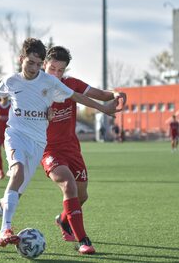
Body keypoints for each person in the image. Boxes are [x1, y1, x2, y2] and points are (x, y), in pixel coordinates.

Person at [0, 38, 122, 254]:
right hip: (17, 137)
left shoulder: (50, 83)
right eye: (31, 63)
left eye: (37, 63)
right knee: (18, 172)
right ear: (21, 59)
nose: (34, 68)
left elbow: (79, 97)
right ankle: (6, 230)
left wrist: (104, 107)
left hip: (38, 144)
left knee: (14, 196)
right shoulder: (12, 81)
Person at [41, 46, 127, 254]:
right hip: (49, 150)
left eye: (60, 70)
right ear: (44, 65)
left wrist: (116, 94)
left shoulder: (71, 85)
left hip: (72, 149)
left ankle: (63, 219)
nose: (56, 74)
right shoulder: (35, 89)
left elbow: (100, 95)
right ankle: (83, 241)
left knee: (82, 196)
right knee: (68, 185)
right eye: (52, 68)